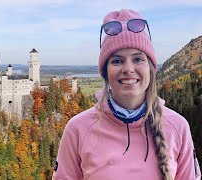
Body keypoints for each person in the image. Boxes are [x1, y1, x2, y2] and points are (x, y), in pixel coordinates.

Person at [52, 9, 201, 180]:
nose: (128, 69)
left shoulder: (178, 127)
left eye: (138, 59)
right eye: (117, 61)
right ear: (105, 72)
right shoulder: (78, 129)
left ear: (151, 69)